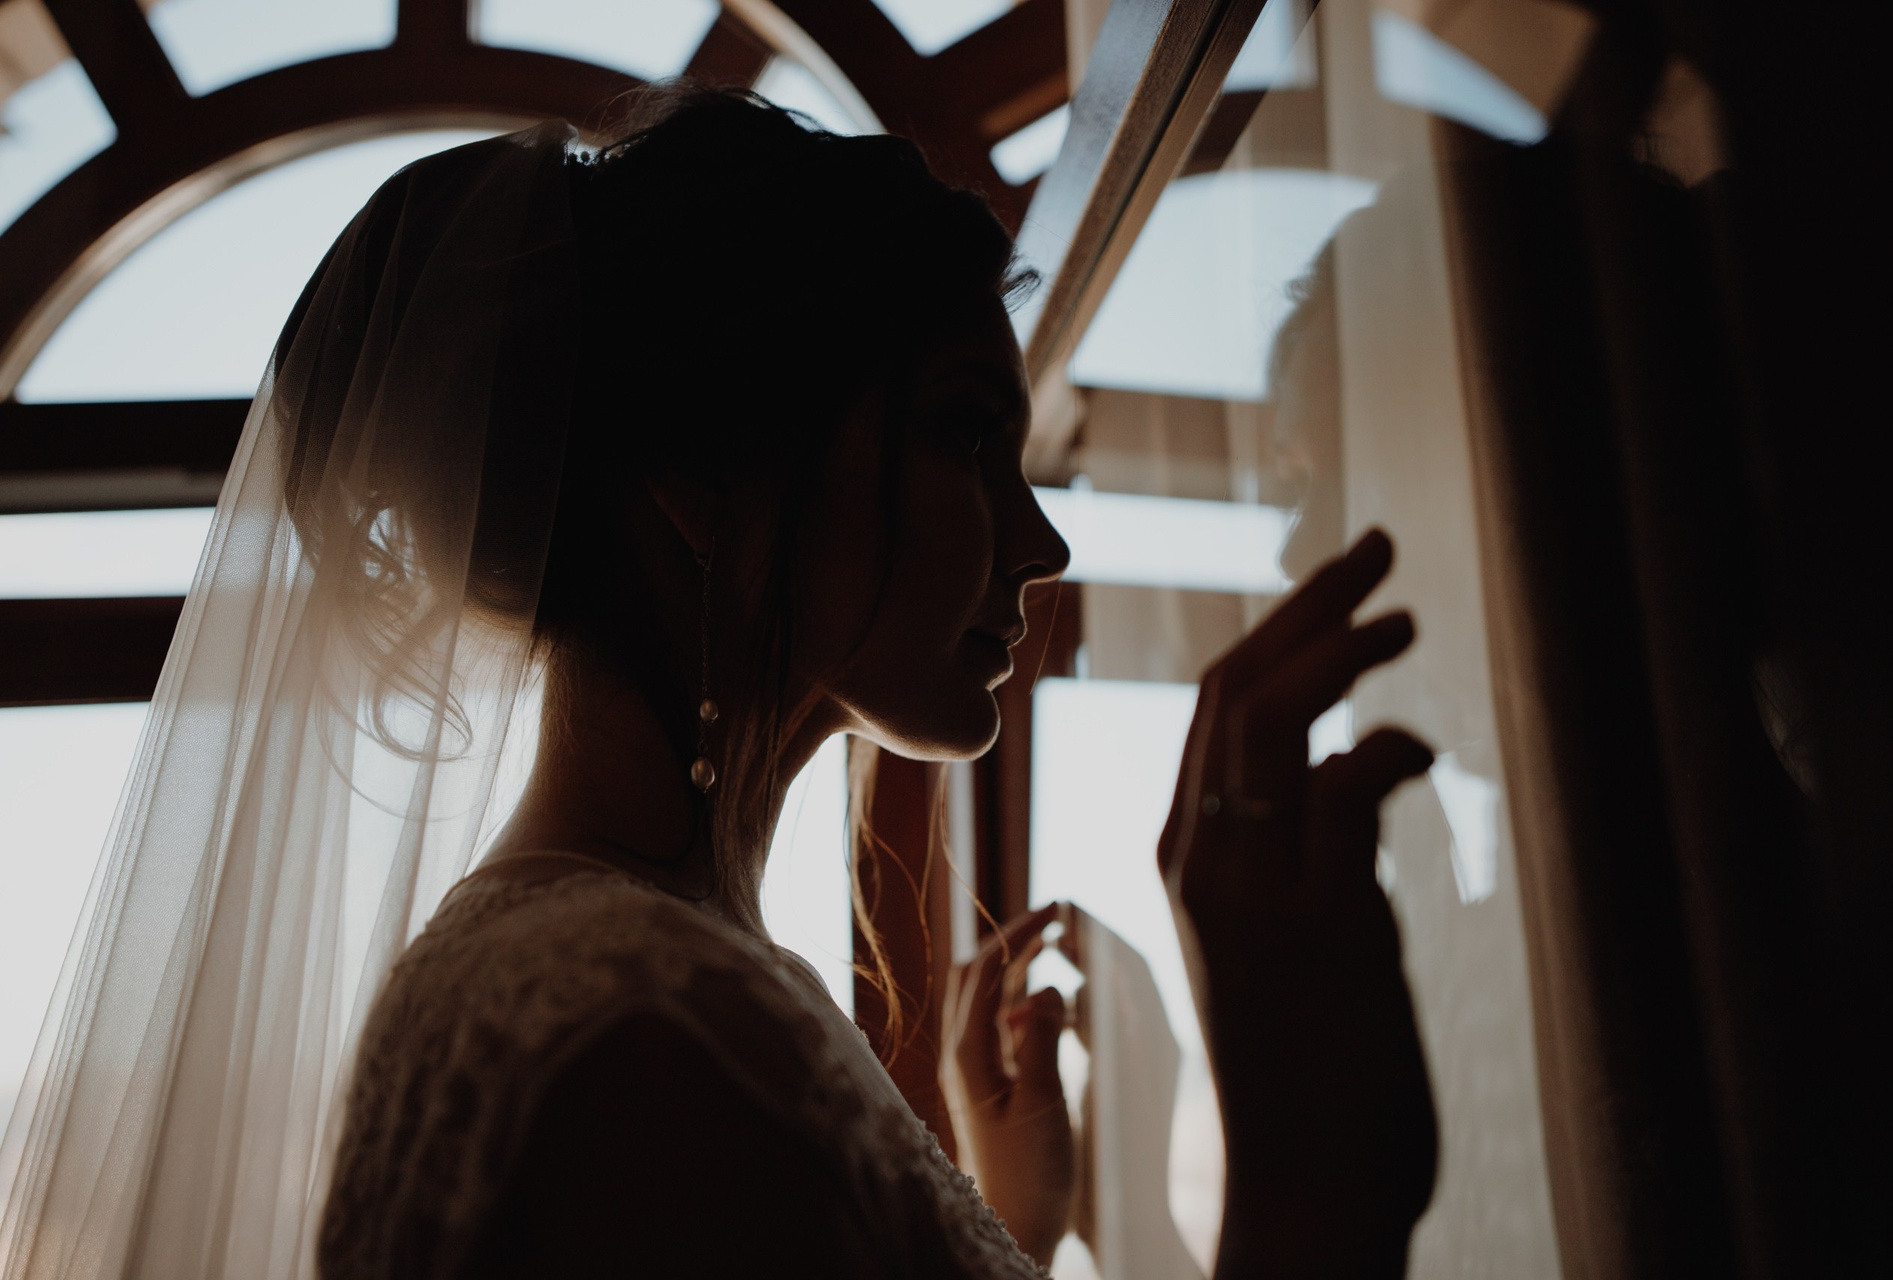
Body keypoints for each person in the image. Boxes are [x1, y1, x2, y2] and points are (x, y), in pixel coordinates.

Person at [0, 86, 1433, 1280]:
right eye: (959, 435)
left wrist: (1012, 1226)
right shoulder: (644, 1042)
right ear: (706, 476)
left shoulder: (662, 982)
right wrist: (1310, 1184)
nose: (1042, 543)